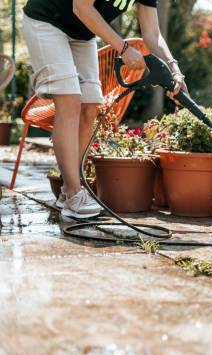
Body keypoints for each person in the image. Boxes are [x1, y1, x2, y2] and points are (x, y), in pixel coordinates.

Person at [22, 0, 187, 218]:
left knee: (90, 107)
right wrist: (124, 48)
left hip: (82, 34)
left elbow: (152, 34)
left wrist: (174, 69)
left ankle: (67, 190)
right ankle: (73, 192)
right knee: (69, 100)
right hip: (46, 20)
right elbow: (81, 7)